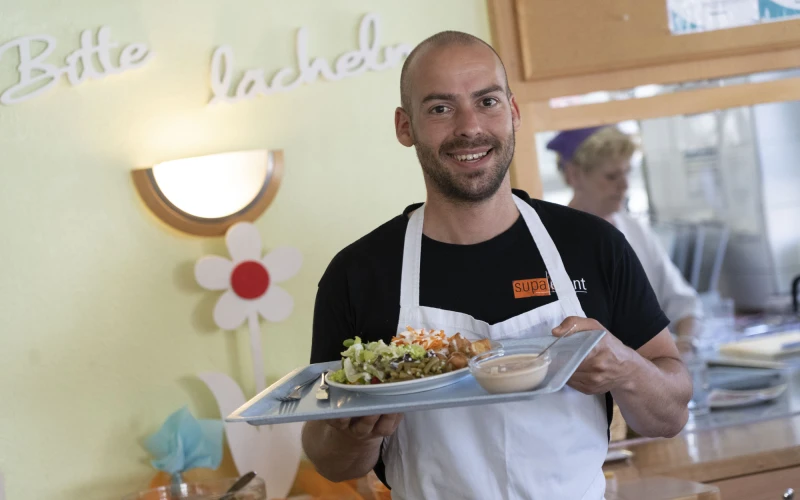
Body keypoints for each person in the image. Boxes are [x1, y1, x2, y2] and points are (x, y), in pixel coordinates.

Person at [302, 31, 691, 500]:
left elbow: (669, 416)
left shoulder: (592, 245)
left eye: (486, 101)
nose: (470, 127)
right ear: (405, 127)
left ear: (514, 112)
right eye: (440, 108)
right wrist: (355, 432)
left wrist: (624, 368)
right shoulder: (357, 274)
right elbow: (328, 460)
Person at [546, 126, 703, 339]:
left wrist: (686, 345)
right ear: (574, 175)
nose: (625, 185)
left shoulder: (635, 231)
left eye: (627, 172)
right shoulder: (551, 242)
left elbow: (683, 304)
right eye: (611, 176)